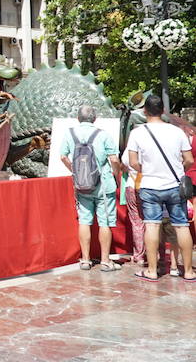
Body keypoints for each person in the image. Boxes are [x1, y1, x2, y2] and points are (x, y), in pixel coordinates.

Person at [126, 94, 195, 282]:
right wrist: (180, 170)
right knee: (181, 226)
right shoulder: (177, 132)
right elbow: (189, 160)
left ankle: (152, 270)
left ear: (145, 111)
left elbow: (133, 162)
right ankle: (188, 271)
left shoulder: (137, 133)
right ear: (163, 110)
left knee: (152, 225)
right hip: (174, 185)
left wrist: (148, 170)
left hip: (150, 186)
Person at [60, 105, 122, 271]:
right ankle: (105, 260)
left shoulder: (69, 133)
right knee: (105, 222)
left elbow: (63, 156)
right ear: (94, 119)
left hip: (82, 185)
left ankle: (85, 260)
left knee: (84, 220)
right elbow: (114, 160)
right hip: (103, 184)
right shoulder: (102, 134)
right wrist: (116, 176)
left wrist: (75, 171)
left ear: (78, 118)